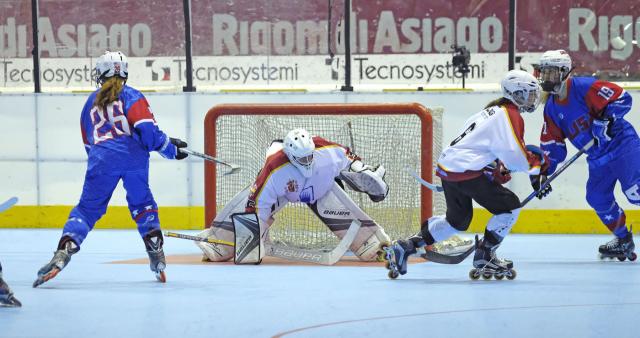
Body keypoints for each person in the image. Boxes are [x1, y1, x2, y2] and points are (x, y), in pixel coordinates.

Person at [33, 51, 188, 287]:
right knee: (142, 203)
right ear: (124, 71)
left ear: (99, 72)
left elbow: (88, 142)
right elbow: (148, 132)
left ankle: (64, 251)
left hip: (101, 159)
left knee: (86, 210)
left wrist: (100, 162)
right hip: (134, 158)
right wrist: (169, 148)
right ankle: (155, 249)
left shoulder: (90, 103)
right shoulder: (132, 95)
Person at [385, 70, 547, 280]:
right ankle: (485, 255)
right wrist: (536, 172)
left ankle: (407, 245)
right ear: (518, 93)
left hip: (450, 168)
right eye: (530, 93)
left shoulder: (490, 111)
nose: (534, 99)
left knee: (458, 221)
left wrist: (496, 169)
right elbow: (514, 154)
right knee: (510, 207)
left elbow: (485, 149)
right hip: (467, 171)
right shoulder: (510, 114)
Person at [196, 128, 392, 264]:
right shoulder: (274, 169)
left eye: (309, 155)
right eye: (302, 158)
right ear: (289, 155)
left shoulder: (326, 151)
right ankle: (218, 244)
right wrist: (252, 239)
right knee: (252, 208)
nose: (307, 160)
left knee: (338, 205)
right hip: (284, 191)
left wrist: (361, 169)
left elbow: (348, 155)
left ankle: (372, 244)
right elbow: (257, 203)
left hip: (320, 185)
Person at [536, 49, 637, 261]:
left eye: (551, 73)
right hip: (597, 157)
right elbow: (553, 146)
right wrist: (543, 171)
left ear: (564, 72)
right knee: (597, 197)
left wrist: (606, 120)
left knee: (635, 192)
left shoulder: (583, 87)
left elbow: (622, 98)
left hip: (621, 146)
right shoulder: (551, 108)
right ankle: (623, 239)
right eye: (543, 73)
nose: (546, 78)